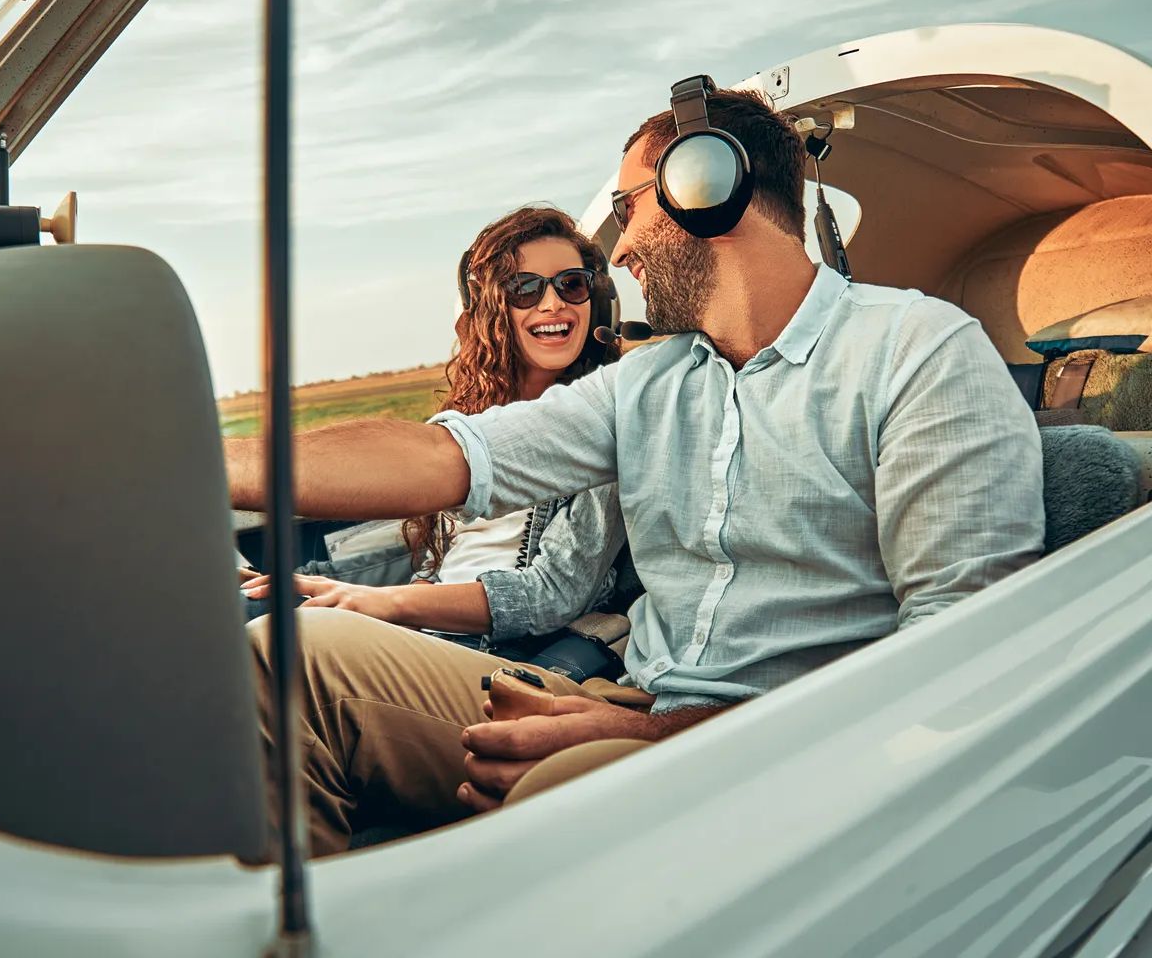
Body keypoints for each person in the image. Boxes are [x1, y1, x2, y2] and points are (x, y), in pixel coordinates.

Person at [228, 80, 1044, 855]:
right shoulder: (648, 382)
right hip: (637, 704)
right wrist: (194, 460)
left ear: (707, 187)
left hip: (793, 754)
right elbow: (449, 455)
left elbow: (958, 661)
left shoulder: (918, 351)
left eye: (627, 209)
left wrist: (647, 737)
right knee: (292, 656)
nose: (618, 253)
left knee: (566, 785)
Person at [239, 205, 627, 657]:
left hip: (490, 650)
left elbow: (552, 594)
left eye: (571, 284)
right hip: (427, 635)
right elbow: (436, 566)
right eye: (524, 289)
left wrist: (381, 604)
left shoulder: (602, 424)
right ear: (490, 311)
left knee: (269, 645)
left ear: (595, 298)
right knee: (233, 607)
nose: (553, 303)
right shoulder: (470, 420)